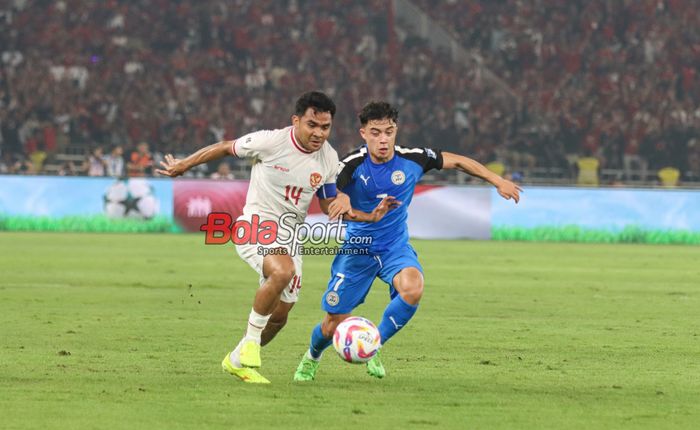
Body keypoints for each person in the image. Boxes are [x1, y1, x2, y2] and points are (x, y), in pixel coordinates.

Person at [293, 101, 522, 381]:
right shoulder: (350, 164)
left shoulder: (412, 158)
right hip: (358, 250)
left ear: (396, 130)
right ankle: (311, 357)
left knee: (413, 288)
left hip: (394, 248)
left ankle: (372, 344)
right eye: (376, 132)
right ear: (363, 133)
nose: (383, 139)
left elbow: (459, 161)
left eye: (389, 131)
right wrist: (341, 198)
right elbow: (333, 193)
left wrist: (497, 180)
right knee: (332, 324)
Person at [156, 91, 364, 384]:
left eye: (325, 127)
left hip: (291, 236)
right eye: (312, 125)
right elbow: (226, 147)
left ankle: (237, 359)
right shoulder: (271, 141)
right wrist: (184, 165)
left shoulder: (329, 157)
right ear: (296, 121)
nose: (319, 133)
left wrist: (342, 203)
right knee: (283, 270)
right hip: (257, 225)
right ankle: (252, 342)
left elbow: (328, 202)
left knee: (280, 316)